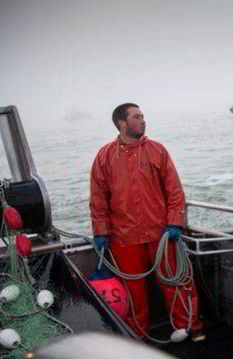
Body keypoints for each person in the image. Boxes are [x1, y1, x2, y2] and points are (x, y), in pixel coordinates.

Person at [90, 103, 204, 341]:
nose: (143, 120)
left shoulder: (157, 150)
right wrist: (101, 232)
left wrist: (174, 223)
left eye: (142, 116)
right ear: (122, 123)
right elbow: (98, 197)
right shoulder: (104, 156)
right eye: (137, 117)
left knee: (177, 283)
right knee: (133, 292)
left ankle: (192, 327)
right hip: (123, 237)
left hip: (160, 233)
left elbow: (175, 190)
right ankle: (137, 336)